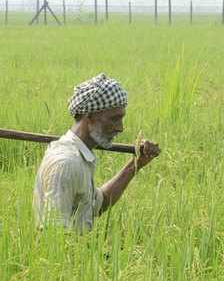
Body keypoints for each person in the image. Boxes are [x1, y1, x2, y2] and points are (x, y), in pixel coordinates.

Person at [33, 73, 160, 233]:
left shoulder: (79, 155)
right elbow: (52, 235)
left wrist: (135, 165)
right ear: (89, 116)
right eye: (114, 119)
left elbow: (98, 205)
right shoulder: (67, 163)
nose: (120, 128)